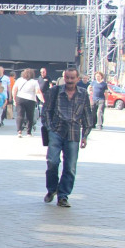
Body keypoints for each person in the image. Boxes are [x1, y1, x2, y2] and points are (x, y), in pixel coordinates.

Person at [41, 66, 94, 208]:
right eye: (67, 78)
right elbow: (46, 111)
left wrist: (85, 135)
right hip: (56, 131)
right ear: (64, 78)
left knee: (70, 167)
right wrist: (50, 127)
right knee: (52, 162)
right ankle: (52, 189)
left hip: (73, 133)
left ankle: (63, 196)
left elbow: (87, 115)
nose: (70, 81)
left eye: (72, 78)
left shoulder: (83, 94)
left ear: (77, 79)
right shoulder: (54, 91)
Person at [12, 68, 44, 137]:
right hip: (31, 100)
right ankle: (28, 132)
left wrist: (14, 99)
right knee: (30, 116)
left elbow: (14, 90)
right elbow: (38, 92)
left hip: (20, 98)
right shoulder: (34, 82)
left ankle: (19, 131)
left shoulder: (19, 80)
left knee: (20, 115)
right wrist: (43, 100)